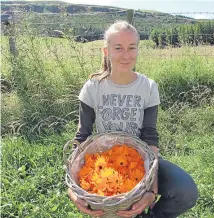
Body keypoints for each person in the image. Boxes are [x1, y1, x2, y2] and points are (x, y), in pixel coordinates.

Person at [68, 20, 198, 218]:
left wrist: (151, 191)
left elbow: (150, 137)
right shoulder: (92, 88)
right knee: (116, 210)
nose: (126, 55)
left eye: (132, 48)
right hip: (105, 165)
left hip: (143, 162)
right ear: (106, 52)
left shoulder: (148, 87)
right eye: (118, 48)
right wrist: (73, 190)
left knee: (186, 191)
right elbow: (82, 136)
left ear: (138, 49)